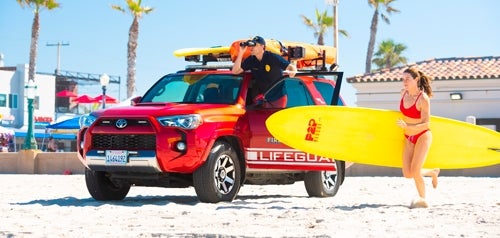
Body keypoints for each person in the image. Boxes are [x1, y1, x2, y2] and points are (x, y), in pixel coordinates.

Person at [396, 67, 440, 208]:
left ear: (416, 79)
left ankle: (422, 200)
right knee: (408, 174)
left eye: (407, 79)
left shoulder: (423, 99)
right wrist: (407, 129)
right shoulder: (403, 93)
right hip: (408, 137)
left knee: (415, 171)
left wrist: (408, 127)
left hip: (422, 136)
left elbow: (427, 124)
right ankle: (432, 172)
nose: (405, 82)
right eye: (403, 79)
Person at [232, 36, 297, 107]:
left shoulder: (272, 57)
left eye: (255, 45)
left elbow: (291, 68)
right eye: (251, 45)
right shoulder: (251, 60)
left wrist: (291, 73)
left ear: (262, 46)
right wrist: (241, 53)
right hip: (265, 99)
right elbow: (235, 71)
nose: (251, 48)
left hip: (278, 98)